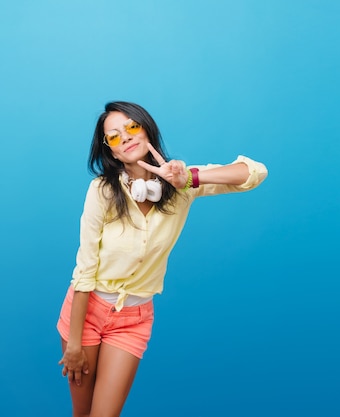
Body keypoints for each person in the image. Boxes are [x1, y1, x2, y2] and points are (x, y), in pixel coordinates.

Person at [57, 101, 268, 416]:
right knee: (82, 414)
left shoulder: (181, 185)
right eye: (114, 136)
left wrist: (190, 178)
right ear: (111, 151)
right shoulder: (101, 191)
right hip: (86, 313)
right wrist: (74, 344)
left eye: (132, 127)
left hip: (132, 320)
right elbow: (85, 269)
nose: (126, 137)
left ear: (146, 129)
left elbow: (254, 172)